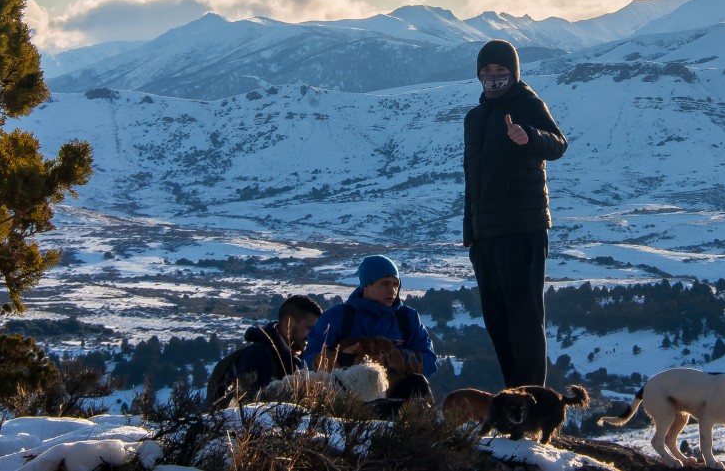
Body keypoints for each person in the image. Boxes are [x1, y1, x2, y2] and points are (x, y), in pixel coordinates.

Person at [463, 39, 567, 388]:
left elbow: (558, 143)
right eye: (487, 72)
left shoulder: (527, 103)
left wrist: (530, 137)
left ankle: (532, 399)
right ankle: (513, 396)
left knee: (524, 319)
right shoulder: (475, 118)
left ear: (514, 73)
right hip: (485, 235)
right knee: (498, 320)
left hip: (523, 229)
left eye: (501, 71)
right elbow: (473, 181)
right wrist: (471, 234)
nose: (493, 78)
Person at [301, 255, 437, 402]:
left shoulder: (407, 318)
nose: (392, 290)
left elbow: (429, 362)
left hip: (396, 399)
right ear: (366, 285)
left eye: (395, 284)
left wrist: (392, 357)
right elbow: (309, 360)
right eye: (385, 284)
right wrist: (342, 359)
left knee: (418, 383)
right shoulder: (337, 317)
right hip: (347, 399)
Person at [207, 294, 323, 408]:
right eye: (310, 329)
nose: (314, 336)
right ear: (289, 323)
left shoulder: (299, 362)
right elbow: (251, 411)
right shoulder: (256, 359)